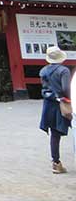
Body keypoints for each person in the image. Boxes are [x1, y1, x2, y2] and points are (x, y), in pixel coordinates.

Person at [39, 46, 71, 174]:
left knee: (54, 134)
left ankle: (56, 162)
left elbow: (44, 87)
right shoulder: (64, 71)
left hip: (49, 104)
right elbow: (66, 88)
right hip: (62, 103)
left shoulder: (43, 71)